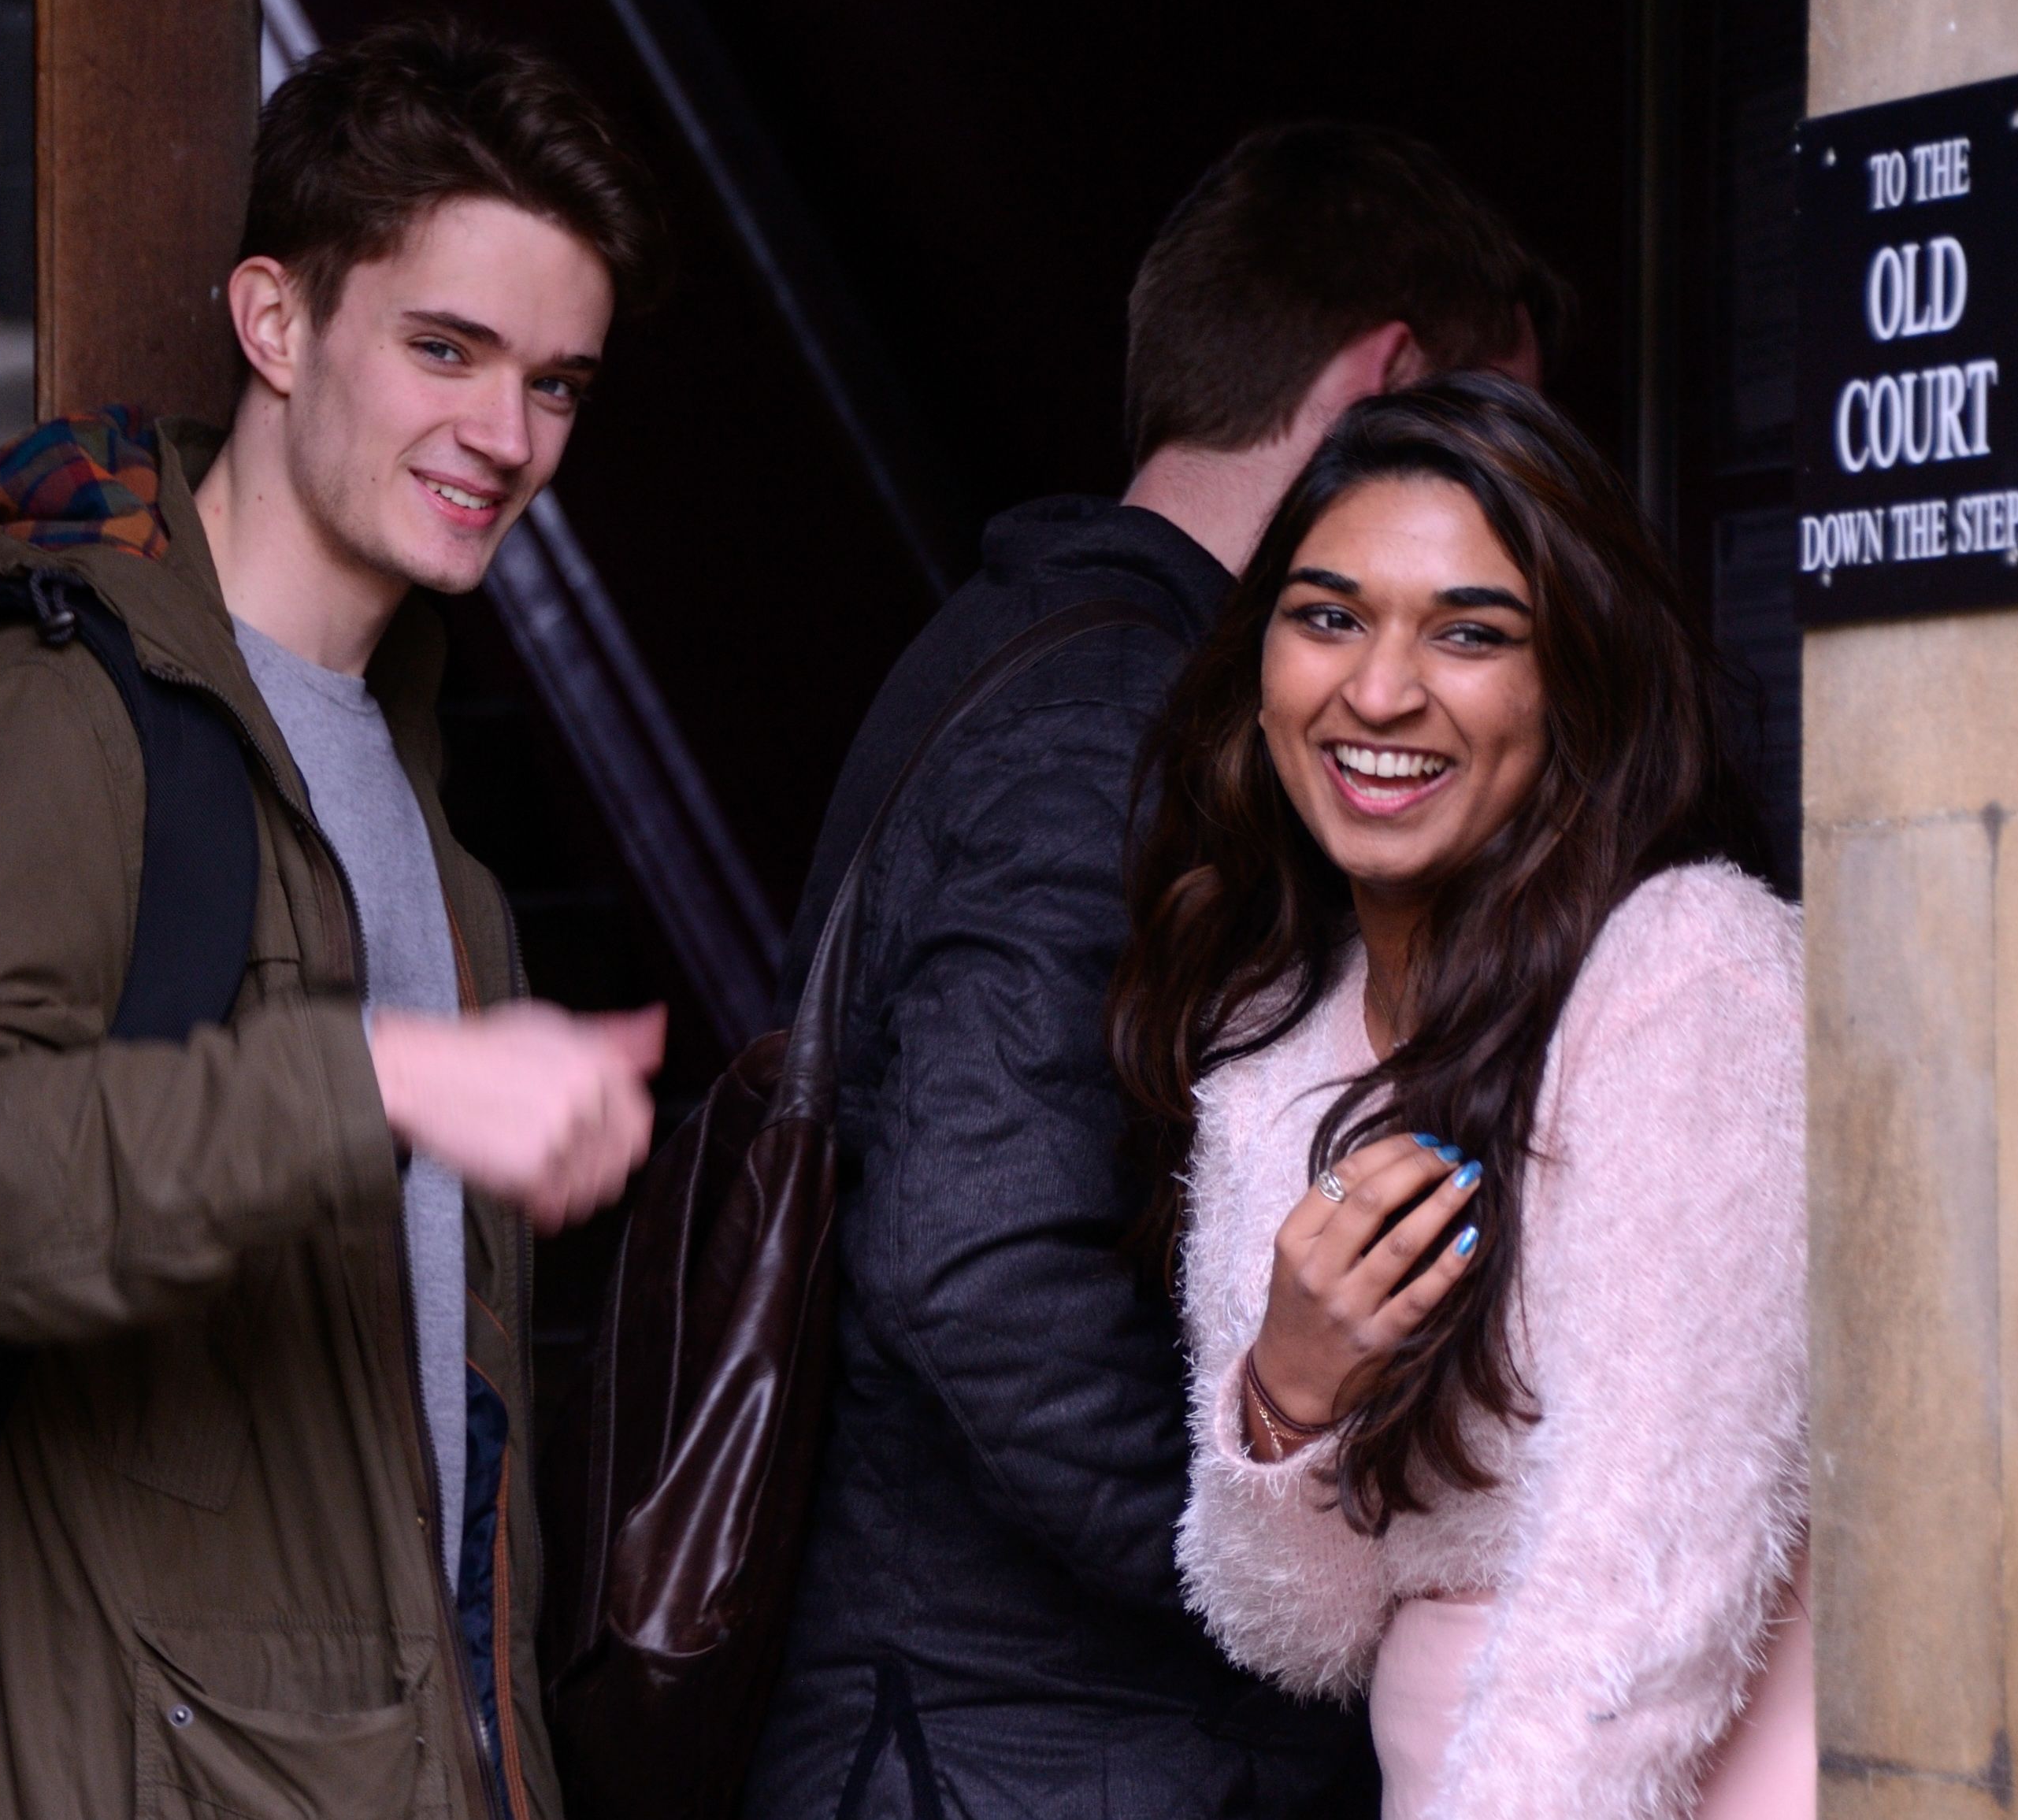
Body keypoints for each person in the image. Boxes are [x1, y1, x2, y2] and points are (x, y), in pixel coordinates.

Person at [0, 18, 664, 1820]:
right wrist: (369, 1086)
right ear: (275, 323)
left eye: (559, 383)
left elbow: (439, 1438)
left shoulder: (415, 788)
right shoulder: (61, 703)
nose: (505, 436)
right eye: (446, 348)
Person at [746, 122, 1560, 1820]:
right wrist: (1273, 1576)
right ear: (1384, 385)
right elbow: (976, 1265)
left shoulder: (1022, 648)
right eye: (1494, 449)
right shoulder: (1110, 726)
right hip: (1026, 1752)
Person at [1115, 377, 1809, 1819]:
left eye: (1471, 633)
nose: (1378, 692)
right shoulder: (1272, 1049)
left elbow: (1654, 1570)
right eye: (1327, 617)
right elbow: (1294, 1631)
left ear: (1576, 681)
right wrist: (1288, 1392)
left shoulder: (1687, 971)